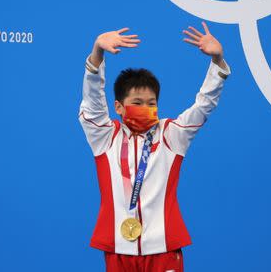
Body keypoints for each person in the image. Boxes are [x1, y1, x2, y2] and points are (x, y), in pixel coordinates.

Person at [78, 22, 231, 272]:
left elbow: (204, 106)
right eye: (136, 102)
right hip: (118, 249)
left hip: (164, 248)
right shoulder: (105, 137)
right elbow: (92, 102)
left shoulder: (171, 135)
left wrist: (217, 62)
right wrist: (97, 53)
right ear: (118, 107)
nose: (145, 107)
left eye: (151, 103)